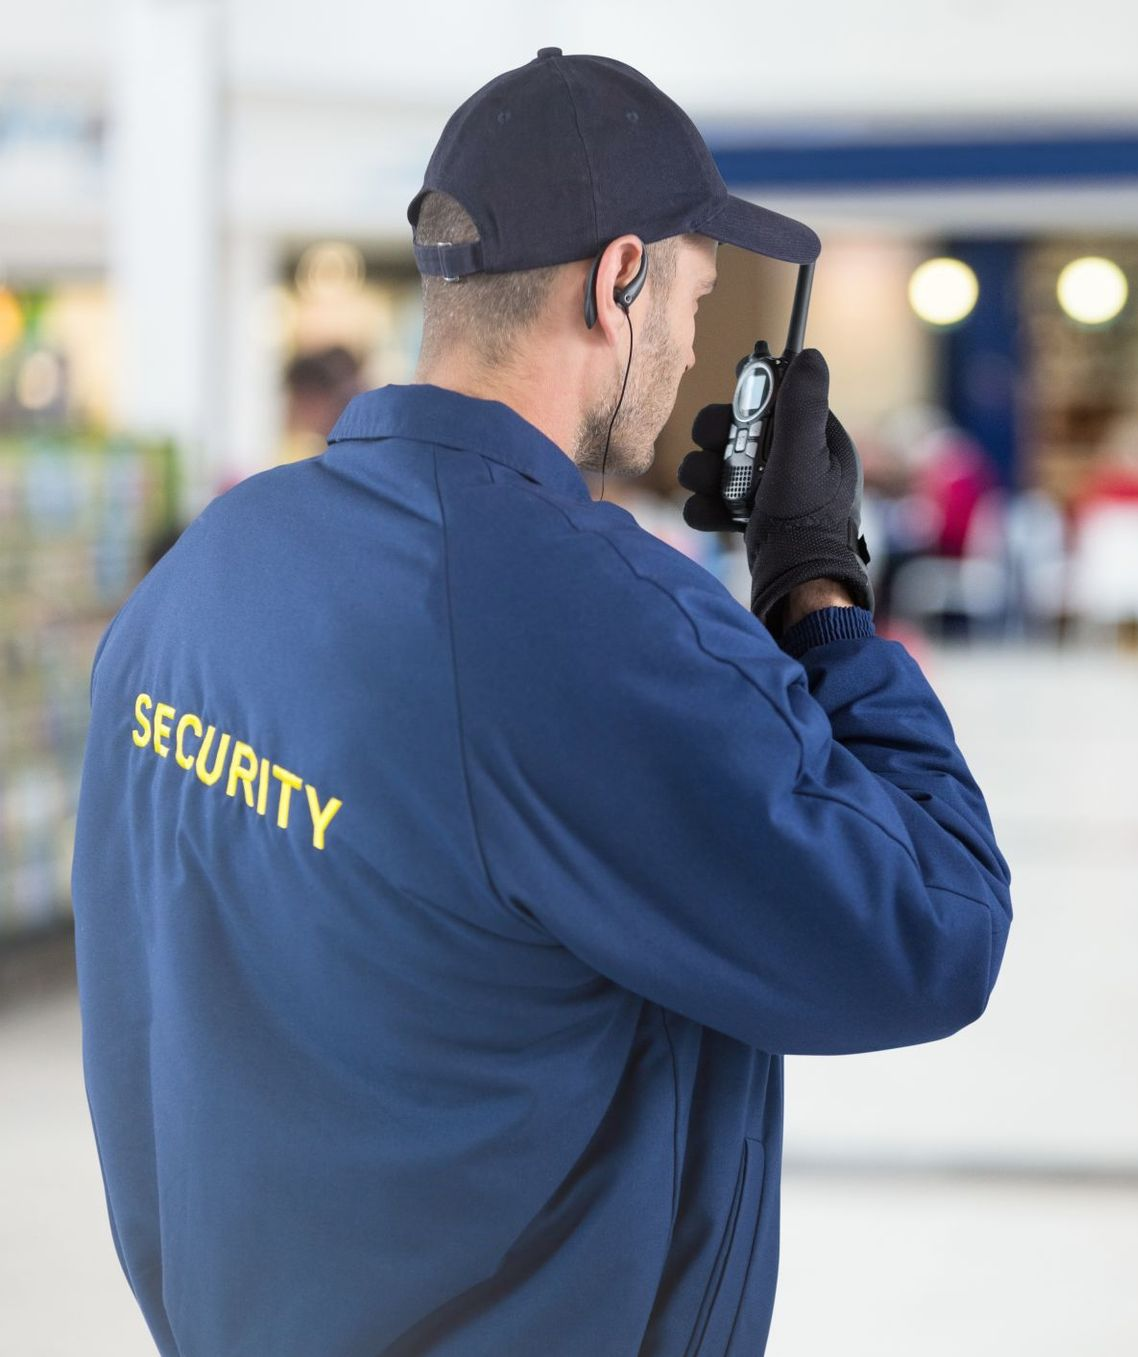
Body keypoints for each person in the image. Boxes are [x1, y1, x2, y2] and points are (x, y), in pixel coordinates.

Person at [71, 47, 1013, 1357]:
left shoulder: (204, 573)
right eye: (688, 294)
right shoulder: (598, 621)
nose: (689, 345)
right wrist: (815, 593)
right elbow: (934, 931)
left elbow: (137, 1010)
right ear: (616, 279)